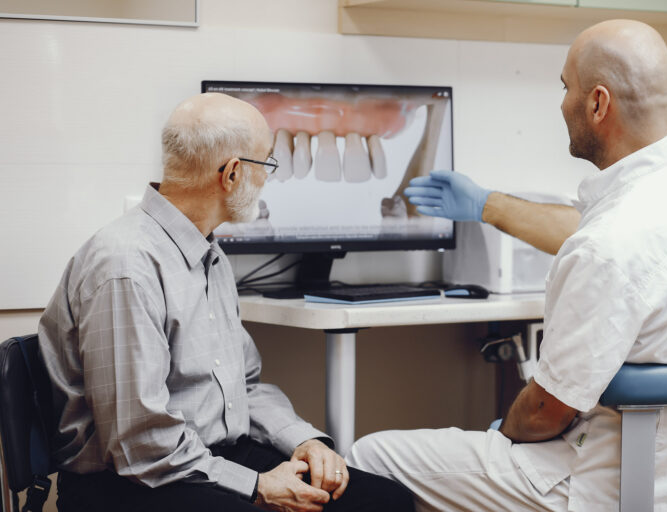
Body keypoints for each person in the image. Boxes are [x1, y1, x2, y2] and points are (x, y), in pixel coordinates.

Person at [345, 19, 667, 512]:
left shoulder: (607, 247)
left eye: (565, 87)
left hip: (592, 482)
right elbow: (598, 233)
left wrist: (505, 431)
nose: (561, 103)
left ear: (598, 104)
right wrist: (487, 204)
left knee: (366, 457)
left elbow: (544, 413)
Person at [38, 92, 414, 512]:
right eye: (267, 164)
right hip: (131, 484)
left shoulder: (207, 254)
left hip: (209, 457)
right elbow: (139, 444)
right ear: (232, 174)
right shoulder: (126, 266)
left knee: (385, 501)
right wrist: (258, 486)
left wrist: (304, 440)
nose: (269, 177)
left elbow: (245, 387)